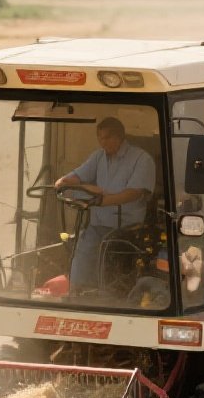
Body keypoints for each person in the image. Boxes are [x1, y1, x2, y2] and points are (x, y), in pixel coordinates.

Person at [54, 117, 155, 293]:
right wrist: (64, 181)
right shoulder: (98, 156)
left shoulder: (141, 159)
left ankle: (105, 295)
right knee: (82, 246)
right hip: (98, 222)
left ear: (120, 137)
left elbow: (134, 193)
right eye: (100, 137)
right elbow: (78, 175)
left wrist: (102, 200)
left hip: (127, 225)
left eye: (107, 137)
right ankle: (76, 293)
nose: (103, 142)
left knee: (105, 249)